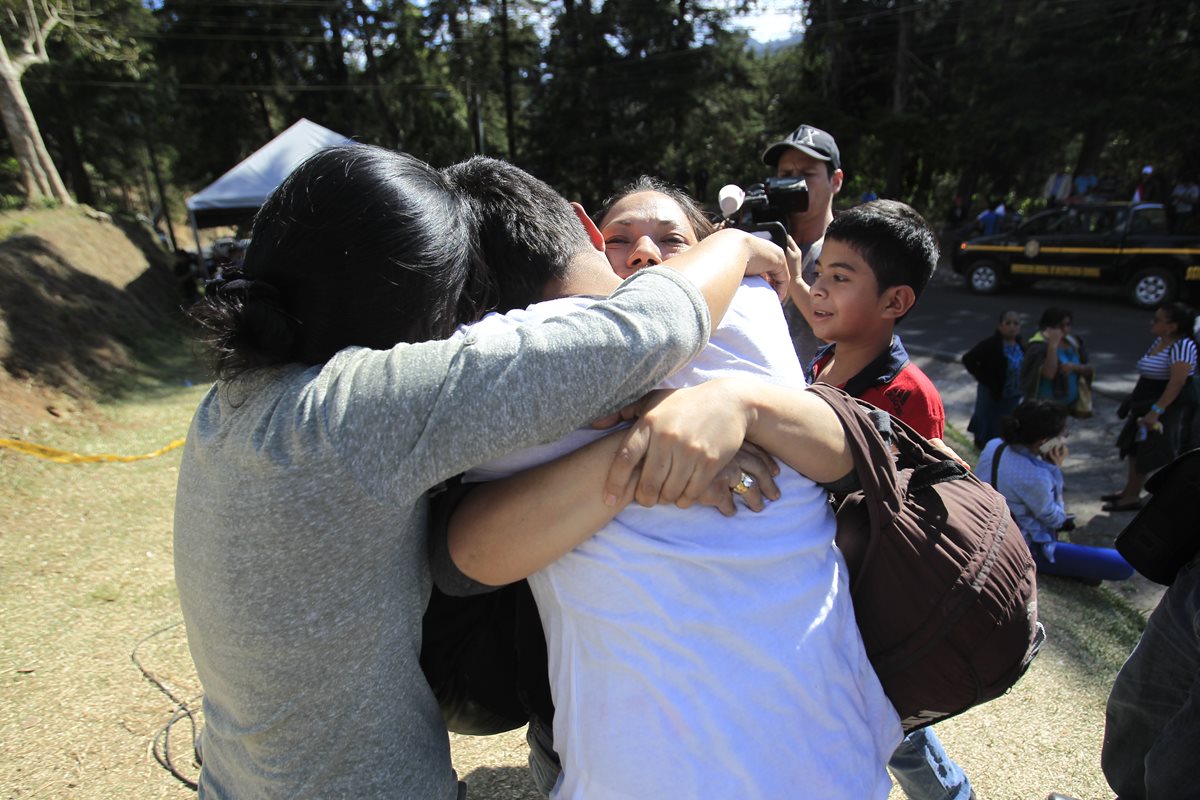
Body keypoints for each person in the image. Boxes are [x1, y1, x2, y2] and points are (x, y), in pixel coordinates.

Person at [171, 144, 789, 799]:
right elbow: (648, 326)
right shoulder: (356, 410)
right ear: (400, 297)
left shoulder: (237, 403)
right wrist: (739, 245)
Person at [435, 165, 902, 798]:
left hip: (800, 741)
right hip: (692, 748)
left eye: (675, 240)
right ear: (586, 234)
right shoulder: (525, 358)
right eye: (621, 236)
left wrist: (739, 404)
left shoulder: (746, 311)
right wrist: (651, 434)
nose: (646, 253)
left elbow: (849, 452)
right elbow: (467, 553)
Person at [791, 198, 976, 798]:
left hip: (871, 597)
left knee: (892, 728)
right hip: (823, 584)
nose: (819, 290)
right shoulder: (823, 361)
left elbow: (918, 506)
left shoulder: (908, 394)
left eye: (840, 279)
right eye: (819, 274)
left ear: (896, 302)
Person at [976, 400, 1134, 584]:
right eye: (1062, 434)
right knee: (1123, 565)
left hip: (981, 524)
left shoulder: (994, 445)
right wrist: (1055, 469)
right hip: (1016, 547)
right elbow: (1055, 519)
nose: (1063, 438)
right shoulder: (1037, 475)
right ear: (1044, 441)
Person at [760, 122, 844, 366]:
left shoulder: (849, 252)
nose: (794, 185)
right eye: (786, 175)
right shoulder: (761, 240)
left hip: (814, 397)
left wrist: (796, 281)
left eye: (807, 175)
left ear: (835, 181)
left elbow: (840, 336)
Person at [1103, 301, 1198, 512]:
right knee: (1134, 449)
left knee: (1149, 452)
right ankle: (1129, 491)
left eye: (1157, 319)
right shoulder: (1160, 341)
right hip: (1143, 405)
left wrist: (1156, 411)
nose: (1152, 322)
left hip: (1162, 410)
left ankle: (1137, 497)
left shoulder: (1182, 346)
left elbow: (1177, 382)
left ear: (1172, 326)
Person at [963, 310, 1026, 449]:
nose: (1012, 327)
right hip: (992, 395)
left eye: (1016, 323)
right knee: (988, 425)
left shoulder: (1021, 346)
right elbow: (968, 359)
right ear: (1000, 326)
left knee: (1005, 427)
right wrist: (985, 379)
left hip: (1012, 397)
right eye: (1008, 323)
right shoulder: (991, 345)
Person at [1020, 306, 1095, 415]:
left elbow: (1089, 368)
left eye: (1068, 325)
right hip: (1044, 408)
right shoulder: (1038, 346)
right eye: (1060, 326)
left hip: (1067, 407)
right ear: (1048, 327)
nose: (1064, 329)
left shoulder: (1073, 342)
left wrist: (1074, 367)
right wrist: (1053, 345)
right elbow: (1049, 374)